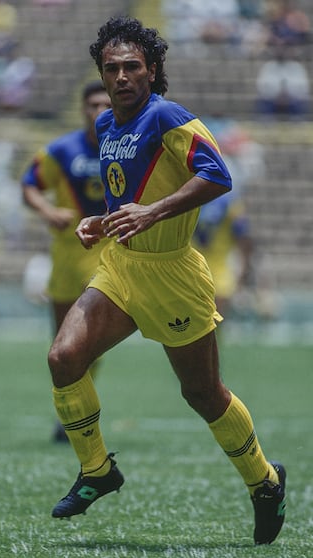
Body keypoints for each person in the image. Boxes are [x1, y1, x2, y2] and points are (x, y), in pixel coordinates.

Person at [47, 16, 286, 545]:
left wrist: (152, 213)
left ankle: (265, 482)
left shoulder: (168, 117)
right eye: (111, 68)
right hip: (122, 268)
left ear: (152, 71)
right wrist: (101, 220)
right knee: (64, 357)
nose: (122, 76)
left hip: (174, 273)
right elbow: (125, 195)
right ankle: (96, 471)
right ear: (102, 75)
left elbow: (218, 174)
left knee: (202, 393)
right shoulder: (108, 125)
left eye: (132, 66)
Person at [21, 80, 111, 441]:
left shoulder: (126, 147)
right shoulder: (61, 150)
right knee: (61, 344)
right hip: (64, 257)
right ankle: (70, 413)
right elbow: (29, 184)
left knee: (86, 340)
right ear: (82, 109)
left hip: (104, 257)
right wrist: (47, 210)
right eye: (92, 105)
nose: (99, 111)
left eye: (105, 104)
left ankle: (78, 415)